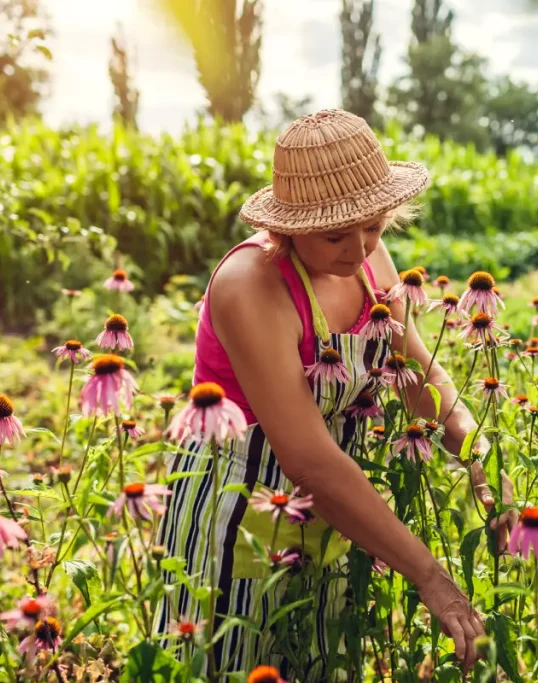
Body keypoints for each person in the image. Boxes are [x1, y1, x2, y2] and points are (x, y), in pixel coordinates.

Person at [153, 109, 517, 679]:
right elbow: (308, 460)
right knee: (233, 659)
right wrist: (428, 574)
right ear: (288, 226)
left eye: (373, 225)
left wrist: (475, 452)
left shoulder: (367, 257)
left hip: (339, 505)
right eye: (335, 234)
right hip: (242, 502)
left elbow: (415, 366)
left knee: (313, 657)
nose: (358, 248)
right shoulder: (251, 285)